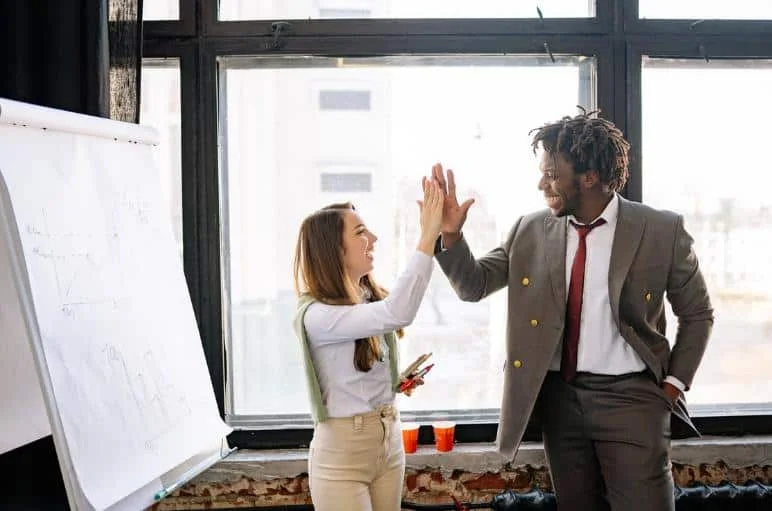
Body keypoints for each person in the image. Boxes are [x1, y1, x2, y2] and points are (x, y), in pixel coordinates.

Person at [429, 110, 713, 511]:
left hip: (633, 400)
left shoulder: (660, 229)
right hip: (561, 402)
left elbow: (698, 313)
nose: (541, 183)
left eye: (551, 174)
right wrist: (451, 235)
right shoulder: (529, 229)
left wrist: (672, 387)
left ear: (589, 177)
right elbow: (473, 285)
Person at [292, 179, 444, 511]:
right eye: (361, 232)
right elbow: (398, 312)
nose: (373, 239)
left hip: (388, 441)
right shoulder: (316, 316)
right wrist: (428, 236)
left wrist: (396, 381)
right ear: (334, 249)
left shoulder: (365, 299)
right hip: (343, 454)